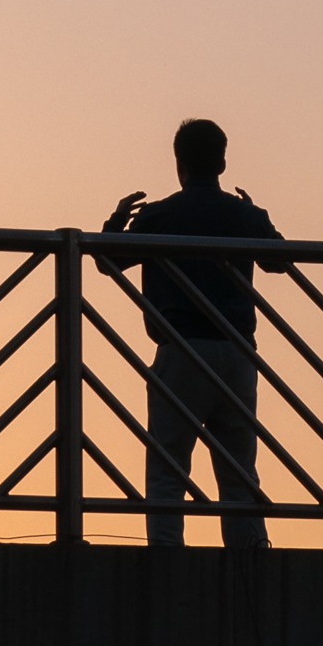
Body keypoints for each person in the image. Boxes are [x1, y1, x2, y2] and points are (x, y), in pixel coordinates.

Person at [101, 118, 282, 549]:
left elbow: (108, 261)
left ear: (178, 162)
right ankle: (249, 558)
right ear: (222, 162)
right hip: (236, 351)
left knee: (168, 466)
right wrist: (260, 218)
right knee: (239, 472)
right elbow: (279, 261)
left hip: (179, 347)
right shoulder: (244, 215)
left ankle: (167, 560)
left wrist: (116, 221)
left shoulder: (159, 215)